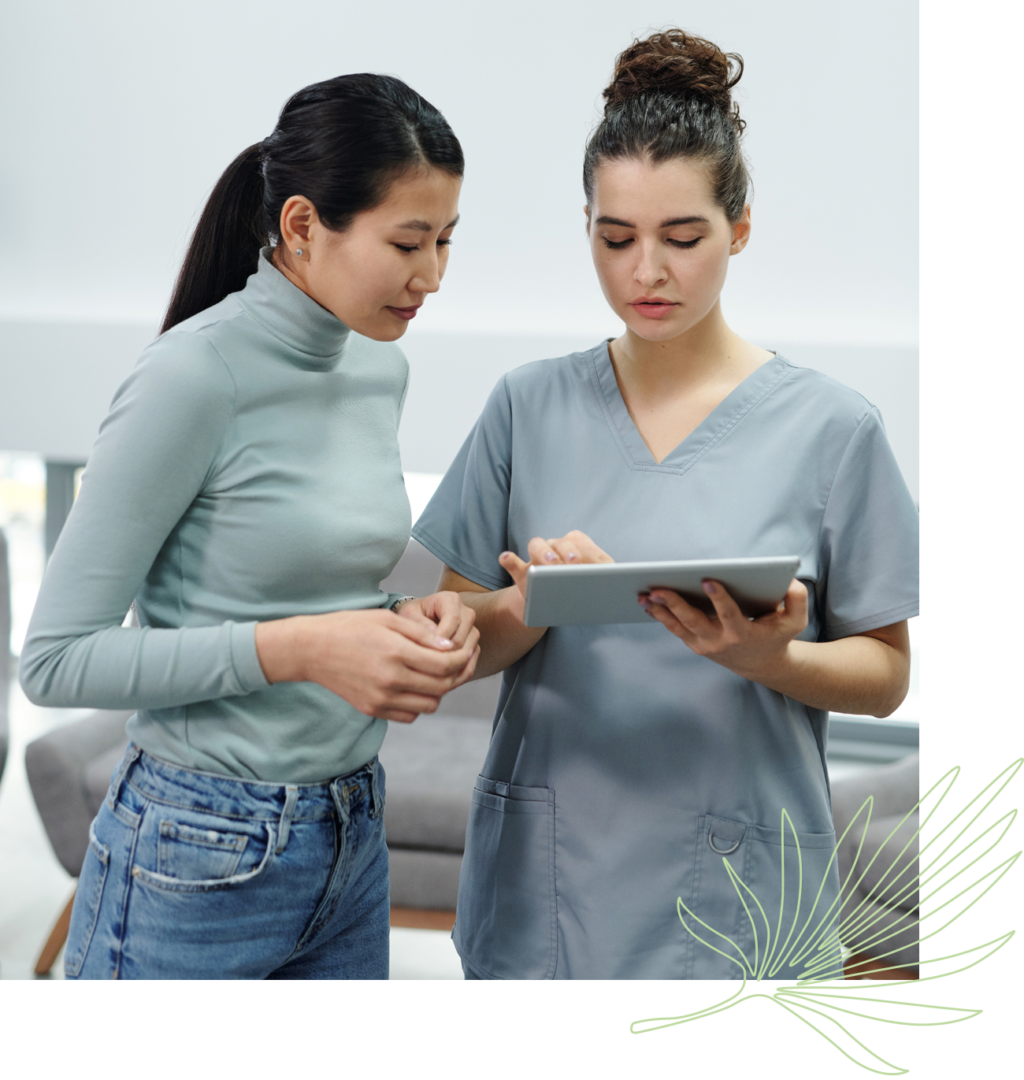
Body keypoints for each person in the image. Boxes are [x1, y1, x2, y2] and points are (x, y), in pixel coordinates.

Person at [412, 30, 920, 981]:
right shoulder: (527, 406)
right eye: (616, 239)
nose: (646, 272)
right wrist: (526, 602)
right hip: (549, 886)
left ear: (741, 228)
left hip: (744, 899)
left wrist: (772, 658)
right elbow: (459, 634)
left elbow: (886, 674)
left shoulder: (834, 430)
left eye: (682, 238)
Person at [19, 73, 480, 981]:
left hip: (350, 833)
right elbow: (55, 660)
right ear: (304, 226)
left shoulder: (378, 367)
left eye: (447, 241)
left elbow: (314, 587)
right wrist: (304, 649)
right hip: (194, 845)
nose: (431, 275)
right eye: (407, 242)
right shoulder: (192, 378)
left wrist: (409, 617)